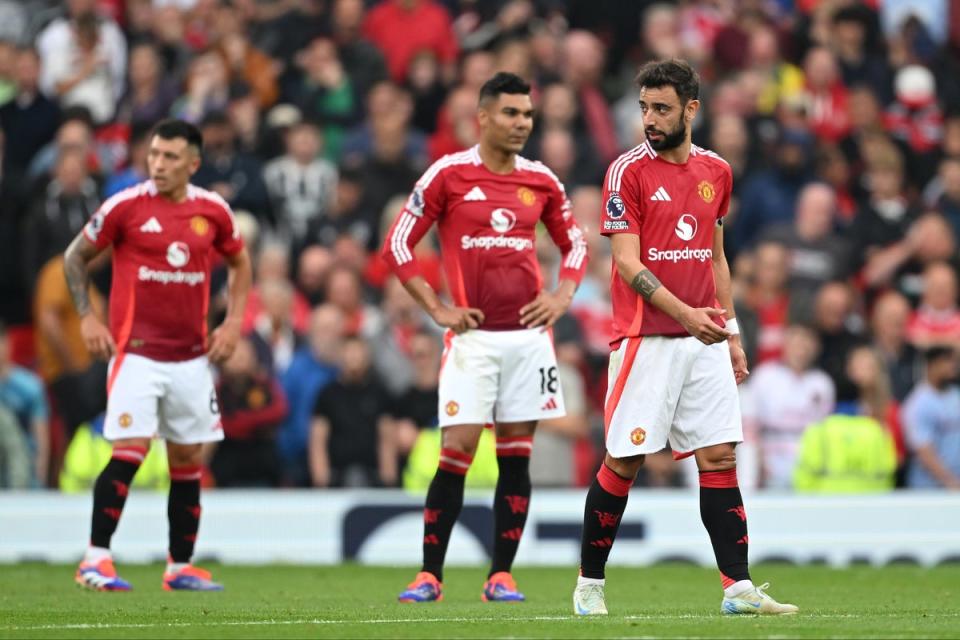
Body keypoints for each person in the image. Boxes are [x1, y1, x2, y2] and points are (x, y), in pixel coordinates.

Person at [572, 59, 797, 616]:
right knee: (625, 460)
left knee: (719, 455)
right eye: (644, 107)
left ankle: (737, 587)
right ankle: (589, 584)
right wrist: (687, 315)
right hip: (646, 337)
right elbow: (626, 263)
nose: (649, 119)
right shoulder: (626, 172)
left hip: (706, 339)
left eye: (661, 109)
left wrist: (731, 330)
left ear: (692, 109)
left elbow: (716, 257)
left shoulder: (716, 170)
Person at [381, 72, 589, 603]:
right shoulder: (448, 175)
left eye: (527, 115)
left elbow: (577, 245)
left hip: (527, 340)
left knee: (516, 456)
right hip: (472, 340)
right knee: (458, 449)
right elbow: (398, 245)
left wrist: (562, 298)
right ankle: (430, 574)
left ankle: (501, 575)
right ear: (483, 117)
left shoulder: (541, 181)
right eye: (511, 114)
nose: (522, 124)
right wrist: (436, 308)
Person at [63, 119, 252, 592]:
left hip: (191, 359)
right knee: (131, 450)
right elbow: (74, 257)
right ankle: (95, 559)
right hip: (138, 356)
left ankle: (179, 567)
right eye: (154, 154)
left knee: (187, 459)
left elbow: (240, 262)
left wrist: (231, 323)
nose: (158, 164)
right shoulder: (126, 206)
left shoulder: (214, 211)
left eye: (170, 157)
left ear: (194, 163)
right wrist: (87, 316)